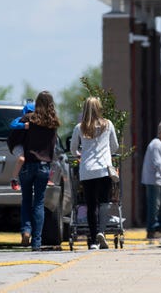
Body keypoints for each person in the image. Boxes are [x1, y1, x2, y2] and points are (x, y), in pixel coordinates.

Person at [11, 91, 60, 251]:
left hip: (27, 166)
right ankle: (36, 243)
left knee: (26, 199)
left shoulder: (29, 119)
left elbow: (13, 130)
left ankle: (26, 230)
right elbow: (53, 148)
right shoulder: (53, 123)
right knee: (38, 203)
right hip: (44, 166)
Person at [70, 96, 119, 250]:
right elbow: (115, 146)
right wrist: (106, 152)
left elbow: (73, 149)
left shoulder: (79, 127)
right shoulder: (108, 125)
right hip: (104, 169)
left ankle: (93, 241)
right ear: (99, 108)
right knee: (104, 202)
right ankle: (102, 232)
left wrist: (80, 154)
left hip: (87, 170)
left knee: (92, 205)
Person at [141, 121, 161, 239]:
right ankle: (151, 229)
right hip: (154, 180)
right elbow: (157, 163)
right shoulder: (156, 144)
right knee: (154, 206)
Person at [9, 101, 35, 197]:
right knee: (21, 159)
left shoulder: (36, 122)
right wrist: (24, 125)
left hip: (28, 145)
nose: (30, 114)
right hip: (17, 144)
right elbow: (12, 125)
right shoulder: (20, 119)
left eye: (32, 112)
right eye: (28, 111)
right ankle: (14, 180)